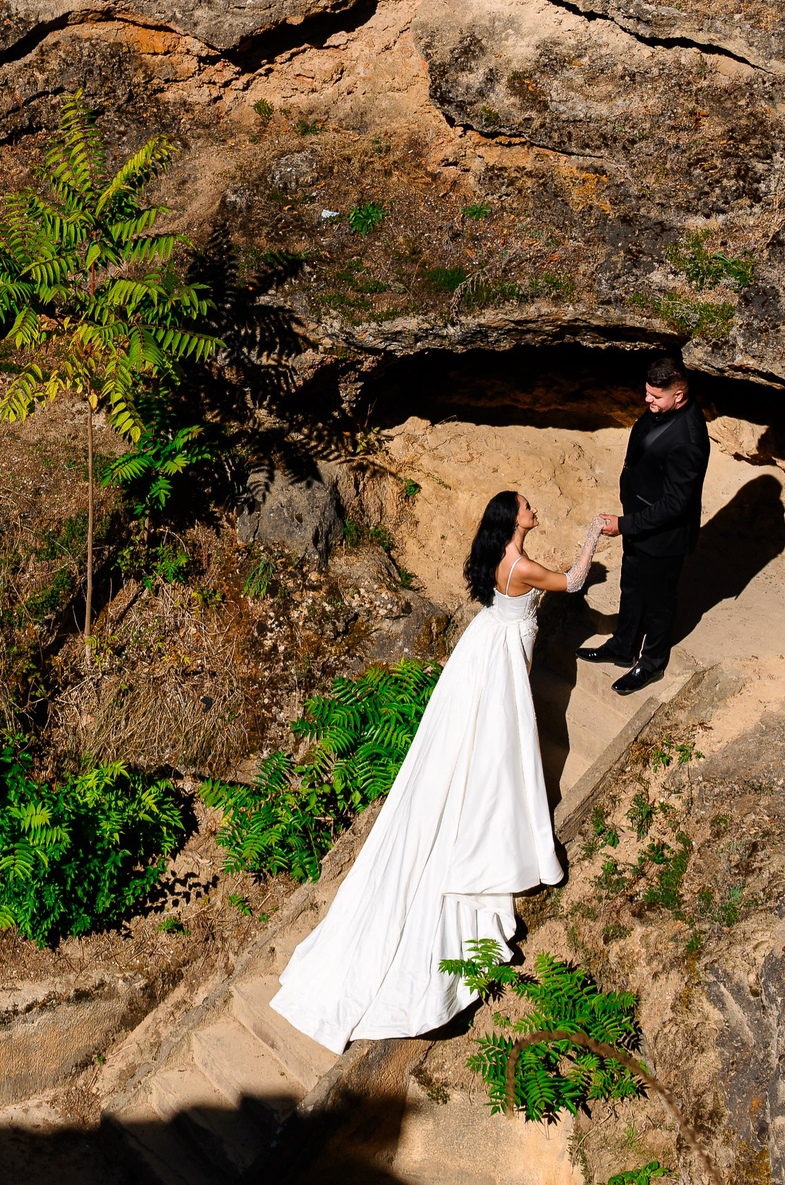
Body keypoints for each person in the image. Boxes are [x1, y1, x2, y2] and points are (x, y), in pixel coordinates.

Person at [270, 491, 597, 1053]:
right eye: (526, 506)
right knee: (493, 743)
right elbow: (570, 581)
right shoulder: (518, 564)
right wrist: (593, 533)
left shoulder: (502, 557)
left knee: (474, 740)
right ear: (511, 519)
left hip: (486, 643)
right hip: (499, 654)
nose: (534, 508)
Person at [576, 354, 710, 695]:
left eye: (655, 396)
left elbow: (676, 505)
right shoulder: (662, 410)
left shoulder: (688, 438)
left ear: (679, 395)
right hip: (640, 526)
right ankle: (623, 646)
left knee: (660, 603)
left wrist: (624, 524)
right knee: (632, 587)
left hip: (663, 537)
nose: (647, 400)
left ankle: (651, 663)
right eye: (646, 392)